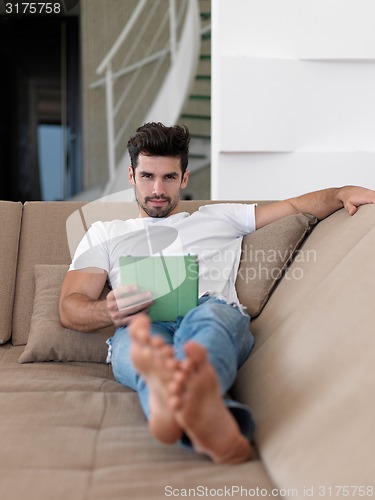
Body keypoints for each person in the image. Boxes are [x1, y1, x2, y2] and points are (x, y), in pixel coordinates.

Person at [59, 122, 375, 464]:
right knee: (137, 343)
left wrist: (340, 192)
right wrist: (108, 312)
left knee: (208, 324)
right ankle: (203, 413)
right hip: (143, 321)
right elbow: (70, 307)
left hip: (209, 307)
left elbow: (297, 207)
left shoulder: (221, 217)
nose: (157, 189)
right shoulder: (105, 233)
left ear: (184, 178)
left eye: (168, 177)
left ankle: (173, 404)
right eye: (148, 176)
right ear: (131, 175)